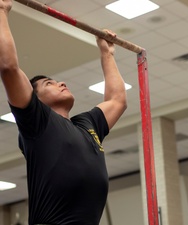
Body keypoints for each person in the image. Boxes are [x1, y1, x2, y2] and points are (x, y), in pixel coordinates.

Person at [0, 0, 127, 224]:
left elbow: (117, 100)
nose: (61, 83)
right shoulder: (36, 122)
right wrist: (1, 12)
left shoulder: (87, 124)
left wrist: (106, 53)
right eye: (50, 83)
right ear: (34, 97)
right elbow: (9, 68)